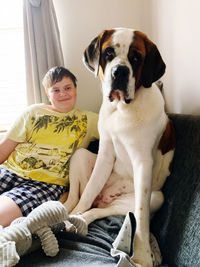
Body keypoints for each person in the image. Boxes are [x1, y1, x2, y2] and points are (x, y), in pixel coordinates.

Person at [0, 66, 99, 227]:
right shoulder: (32, 113)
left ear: (75, 89)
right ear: (48, 94)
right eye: (56, 90)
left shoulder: (90, 120)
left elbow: (120, 131)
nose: (63, 93)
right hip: (9, 171)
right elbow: (3, 149)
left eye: (67, 88)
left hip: (43, 184)